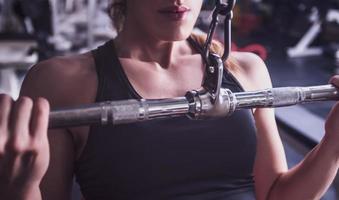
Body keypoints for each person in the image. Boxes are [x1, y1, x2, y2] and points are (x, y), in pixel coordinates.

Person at [1, 0, 339, 199]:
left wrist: (333, 144)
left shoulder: (246, 70)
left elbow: (276, 195)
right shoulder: (61, 82)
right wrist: (18, 187)